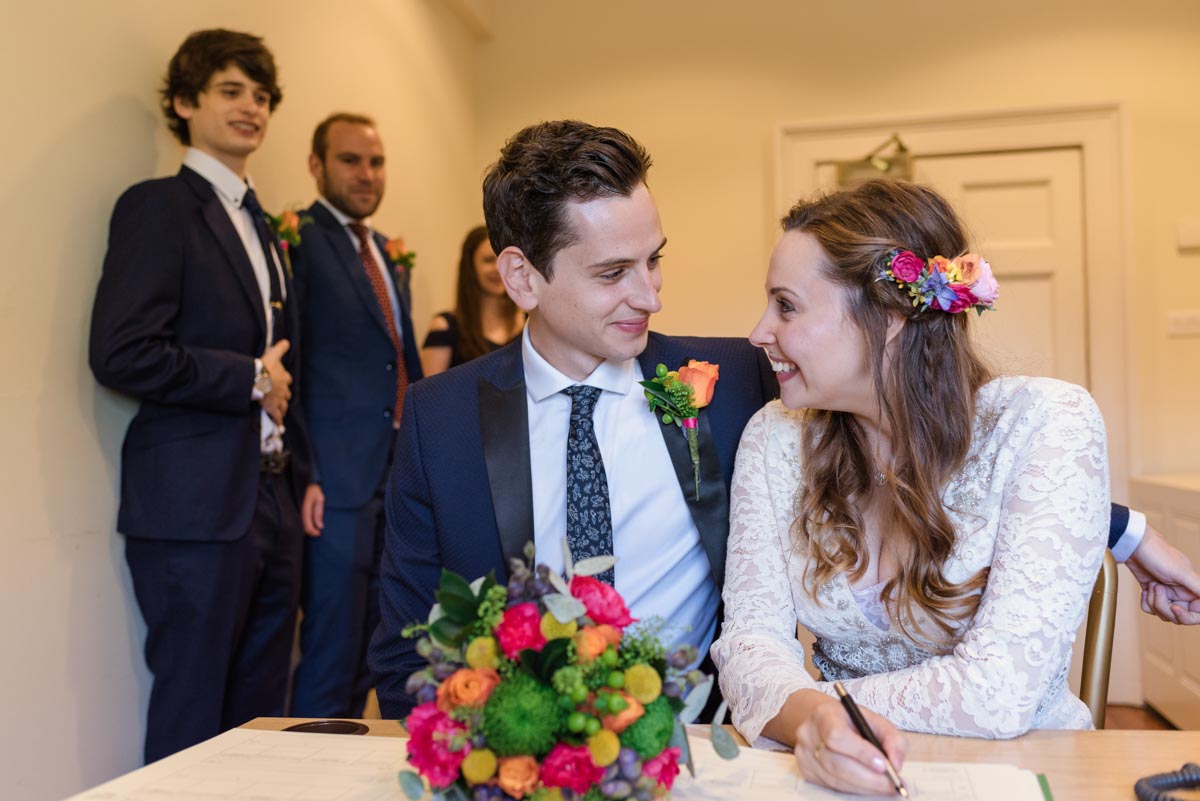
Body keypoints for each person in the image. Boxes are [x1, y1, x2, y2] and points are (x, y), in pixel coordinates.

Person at [709, 180, 1113, 795]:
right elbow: (750, 641)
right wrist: (817, 724)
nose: (759, 333)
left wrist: (809, 709)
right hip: (843, 773)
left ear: (890, 317)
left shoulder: (1047, 421)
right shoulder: (776, 437)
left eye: (786, 307)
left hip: (1021, 774)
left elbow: (998, 692)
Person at [369, 120, 777, 719]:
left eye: (653, 260)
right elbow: (409, 650)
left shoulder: (739, 380)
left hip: (701, 743)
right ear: (521, 277)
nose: (650, 297)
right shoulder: (441, 419)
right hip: (520, 750)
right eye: (613, 273)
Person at [89, 29, 310, 762]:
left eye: (262, 95)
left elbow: (286, 360)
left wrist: (300, 475)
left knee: (261, 719)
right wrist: (249, 377)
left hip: (270, 498)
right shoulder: (158, 207)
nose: (251, 107)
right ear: (185, 103)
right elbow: (120, 352)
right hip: (192, 507)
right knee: (191, 714)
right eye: (230, 91)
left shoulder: (265, 225)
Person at [289, 112, 424, 718]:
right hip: (336, 481)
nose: (366, 174)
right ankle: (308, 765)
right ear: (316, 166)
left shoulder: (386, 253)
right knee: (330, 648)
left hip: (392, 476)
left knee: (377, 648)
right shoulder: (300, 242)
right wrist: (308, 471)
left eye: (376, 162)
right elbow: (298, 359)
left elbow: (399, 358)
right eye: (350, 160)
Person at [420, 225, 525, 376]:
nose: (498, 269)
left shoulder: (530, 323)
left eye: (503, 260)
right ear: (470, 267)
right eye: (488, 260)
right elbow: (430, 389)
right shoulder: (445, 327)